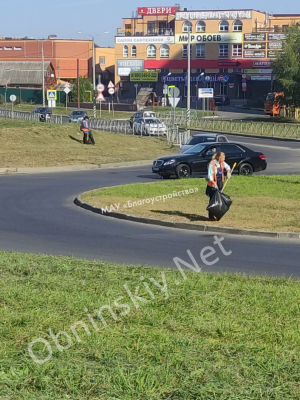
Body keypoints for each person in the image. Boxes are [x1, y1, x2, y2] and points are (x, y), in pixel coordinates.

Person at [206, 152, 231, 221]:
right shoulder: (212, 164)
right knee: (213, 200)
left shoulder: (222, 163)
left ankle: (218, 214)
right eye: (223, 158)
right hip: (213, 185)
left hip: (220, 183)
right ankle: (211, 216)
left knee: (219, 199)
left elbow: (227, 167)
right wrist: (214, 184)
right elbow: (209, 176)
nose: (224, 159)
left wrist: (228, 172)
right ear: (219, 158)